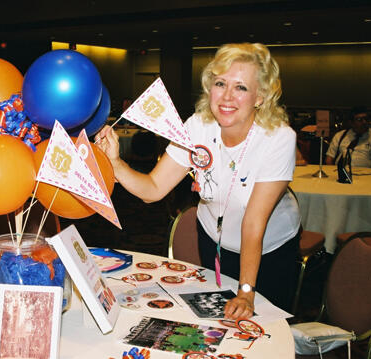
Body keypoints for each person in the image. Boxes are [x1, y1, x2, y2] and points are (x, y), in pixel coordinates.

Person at [96, 43, 300, 318]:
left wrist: (246, 292)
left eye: (241, 87)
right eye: (220, 83)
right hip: (213, 238)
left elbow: (254, 222)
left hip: (268, 250)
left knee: (266, 326)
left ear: (260, 97)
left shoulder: (278, 137)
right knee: (219, 323)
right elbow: (153, 190)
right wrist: (115, 163)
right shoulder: (197, 127)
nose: (227, 96)